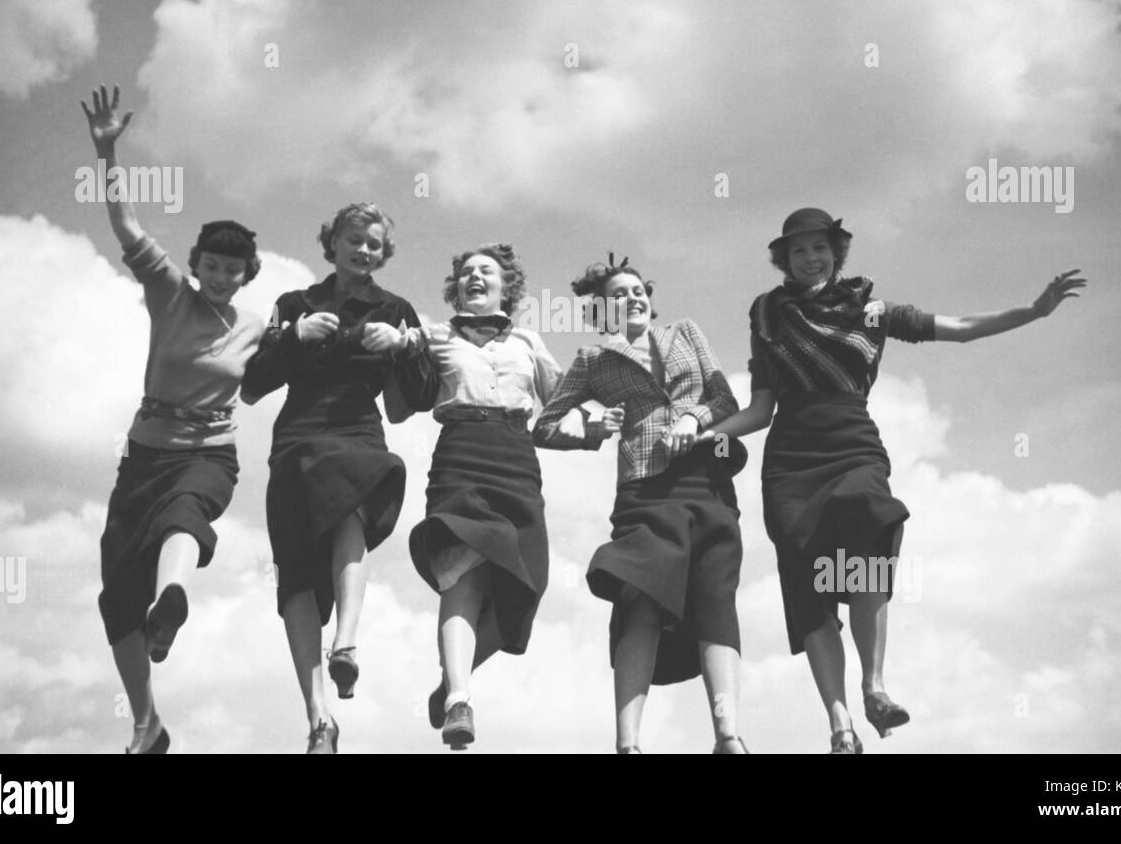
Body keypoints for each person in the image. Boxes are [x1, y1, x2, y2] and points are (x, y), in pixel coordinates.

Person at [702, 208, 1085, 753]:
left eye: (819, 247)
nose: (810, 258)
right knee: (809, 589)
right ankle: (840, 727)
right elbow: (761, 407)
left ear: (836, 251)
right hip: (790, 460)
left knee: (870, 532)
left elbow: (956, 329)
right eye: (798, 251)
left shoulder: (873, 311)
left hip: (853, 446)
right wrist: (705, 433)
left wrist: (1034, 311)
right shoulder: (768, 312)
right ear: (784, 260)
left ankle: (874, 685)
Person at [84, 85, 265, 754]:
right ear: (197, 266)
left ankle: (172, 603)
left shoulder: (255, 327)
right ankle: (147, 724)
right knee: (114, 600)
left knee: (185, 515)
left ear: (248, 274)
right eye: (211, 266)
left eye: (232, 269)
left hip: (209, 454)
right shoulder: (170, 295)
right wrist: (108, 154)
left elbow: (295, 357)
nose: (220, 276)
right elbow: (127, 228)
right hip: (144, 454)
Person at [533, 255, 751, 754]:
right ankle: (628, 745)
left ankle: (728, 736)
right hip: (644, 489)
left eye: (638, 291)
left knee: (715, 601)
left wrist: (692, 420)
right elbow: (544, 427)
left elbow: (725, 400)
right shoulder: (592, 360)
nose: (632, 298)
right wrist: (589, 431)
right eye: (619, 294)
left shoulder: (686, 333)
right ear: (601, 311)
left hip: (708, 481)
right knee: (639, 600)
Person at [241, 202, 430, 754]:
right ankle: (320, 720)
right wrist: (292, 336)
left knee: (353, 503)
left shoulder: (397, 309)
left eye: (375, 243)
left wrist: (402, 348)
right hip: (297, 439)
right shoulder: (294, 304)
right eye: (355, 239)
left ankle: (345, 643)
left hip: (358, 431)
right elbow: (251, 386)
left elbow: (415, 401)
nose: (365, 249)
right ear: (334, 242)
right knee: (296, 575)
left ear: (383, 254)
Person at [394, 244, 561, 750]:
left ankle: (451, 676)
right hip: (461, 457)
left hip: (515, 457)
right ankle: (459, 701)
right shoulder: (434, 335)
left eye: (485, 270)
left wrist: (593, 421)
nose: (474, 277)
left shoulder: (529, 340)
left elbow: (561, 405)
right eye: (465, 271)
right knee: (462, 578)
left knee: (528, 585)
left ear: (506, 285)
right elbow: (402, 407)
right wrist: (401, 353)